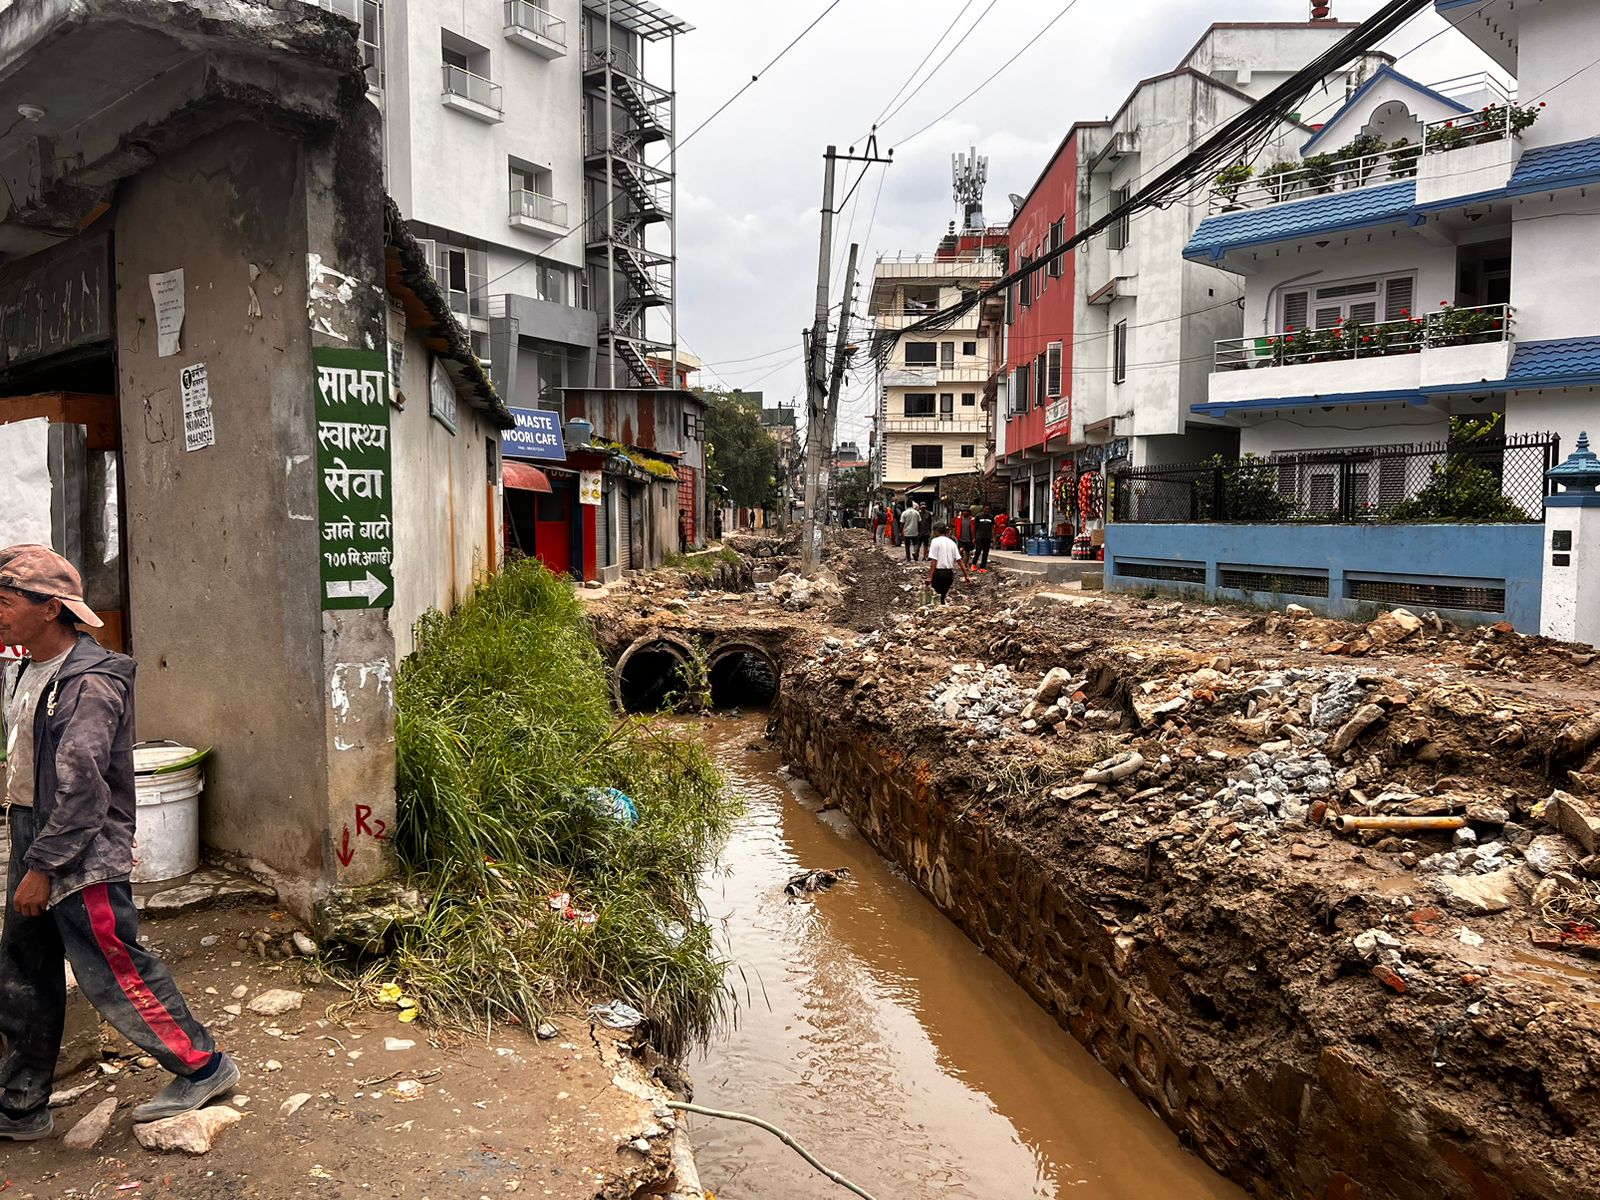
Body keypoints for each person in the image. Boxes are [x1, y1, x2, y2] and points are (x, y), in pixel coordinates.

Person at [0, 545, 238, 1140]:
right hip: (36, 831)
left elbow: (83, 794)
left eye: (4, 603)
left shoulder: (90, 683)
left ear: (50, 608)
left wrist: (44, 867)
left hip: (80, 850)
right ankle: (22, 1103)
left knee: (113, 969)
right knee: (24, 973)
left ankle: (203, 1066)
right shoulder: (28, 670)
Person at [925, 522, 971, 604]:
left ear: (936, 531)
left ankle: (938, 612)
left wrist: (929, 577)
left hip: (939, 573)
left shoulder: (935, 541)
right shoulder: (951, 542)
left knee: (937, 597)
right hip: (949, 574)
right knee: (942, 596)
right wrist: (966, 575)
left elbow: (934, 560)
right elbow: (959, 560)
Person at [973, 505, 996, 571]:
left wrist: (993, 537)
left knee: (986, 552)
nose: (987, 510)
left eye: (988, 509)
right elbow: (975, 527)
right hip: (979, 536)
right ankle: (974, 564)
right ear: (983, 509)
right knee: (978, 551)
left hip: (987, 537)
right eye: (986, 509)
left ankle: (982, 567)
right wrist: (974, 537)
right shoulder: (978, 516)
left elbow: (992, 528)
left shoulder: (991, 517)